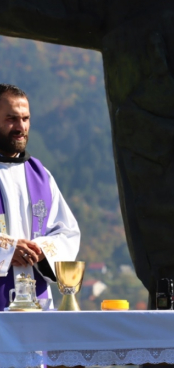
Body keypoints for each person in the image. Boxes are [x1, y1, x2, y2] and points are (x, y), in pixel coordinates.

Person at [0, 84, 80, 310]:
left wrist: (41, 249)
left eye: (25, 119)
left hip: (37, 306)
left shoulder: (41, 175)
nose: (20, 127)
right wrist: (7, 249)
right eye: (11, 119)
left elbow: (67, 232)